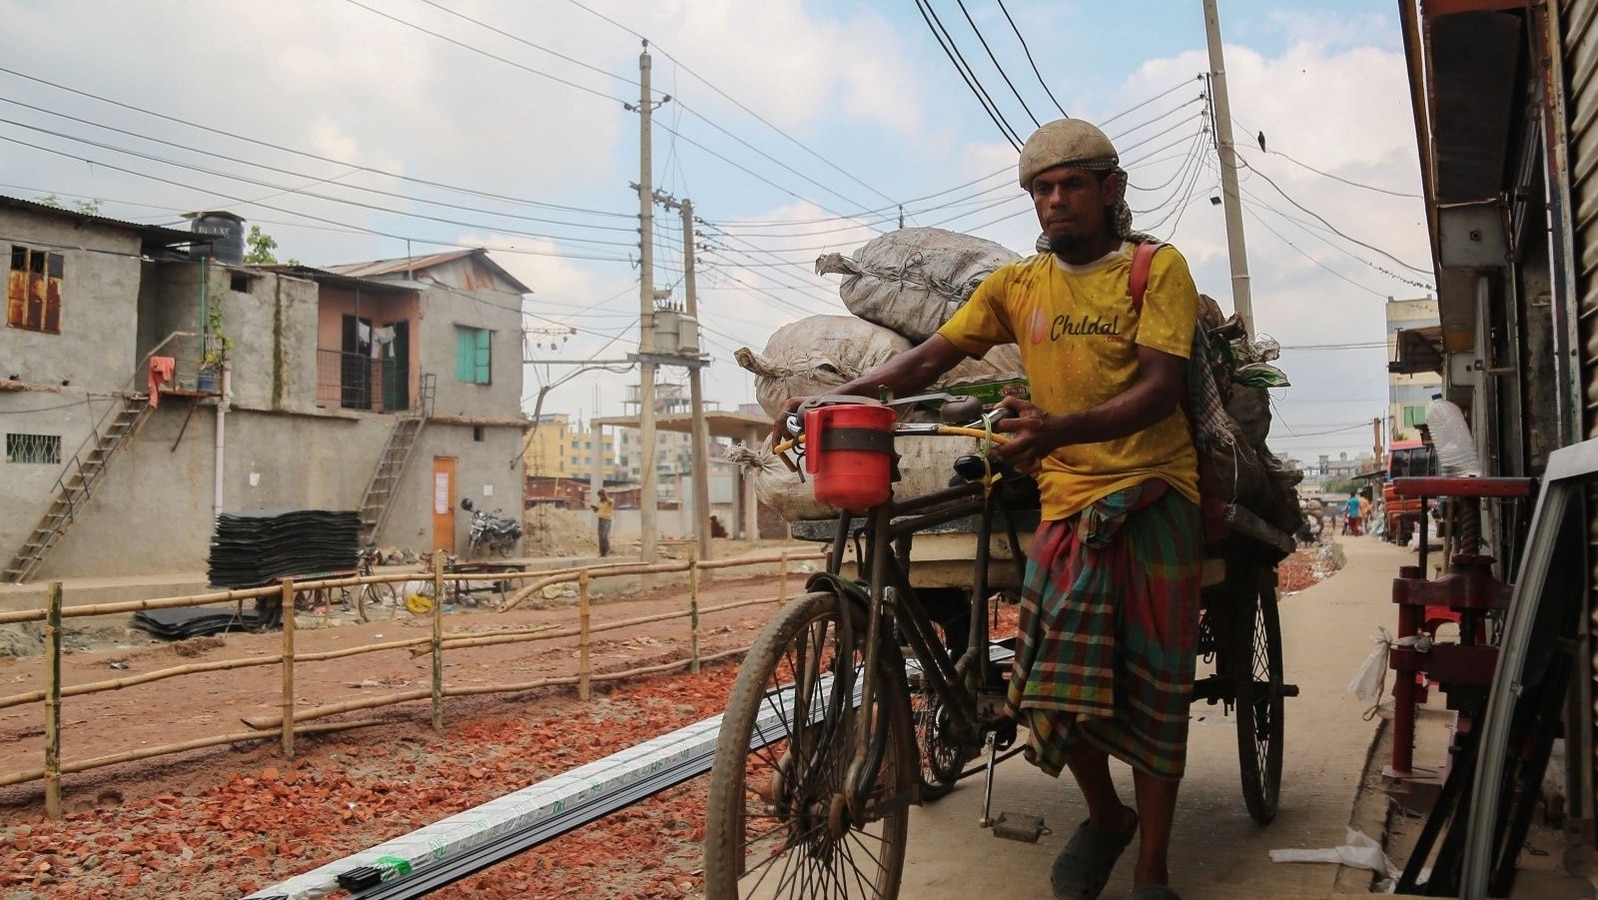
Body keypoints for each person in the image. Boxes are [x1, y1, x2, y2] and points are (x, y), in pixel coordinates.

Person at [778, 118, 1202, 900]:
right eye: (1041, 189)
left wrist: (1060, 428)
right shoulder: (1017, 287)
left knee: (1154, 689)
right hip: (1069, 503)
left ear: (1110, 191)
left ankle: (1152, 871)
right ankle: (1109, 819)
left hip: (1153, 493)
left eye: (1072, 184)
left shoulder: (1155, 270)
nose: (1055, 201)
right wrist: (841, 392)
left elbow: (1160, 388)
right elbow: (931, 357)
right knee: (1044, 686)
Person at [591, 489, 614, 557]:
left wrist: (606, 494)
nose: (600, 497)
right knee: (600, 536)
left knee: (604, 536)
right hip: (600, 519)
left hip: (607, 519)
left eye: (601, 495)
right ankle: (602, 552)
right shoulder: (600, 502)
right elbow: (597, 510)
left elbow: (610, 502)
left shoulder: (609, 500)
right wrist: (593, 508)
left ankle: (607, 550)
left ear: (604, 495)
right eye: (599, 496)